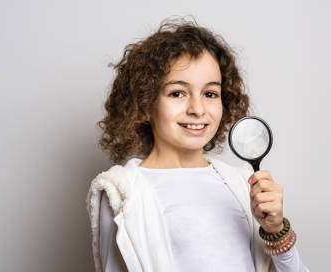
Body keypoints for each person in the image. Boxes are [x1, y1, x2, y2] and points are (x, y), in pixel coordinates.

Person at [85, 17, 309, 272]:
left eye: (210, 93)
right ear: (145, 103)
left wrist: (276, 231)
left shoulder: (242, 183)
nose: (198, 109)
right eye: (177, 93)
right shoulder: (122, 191)